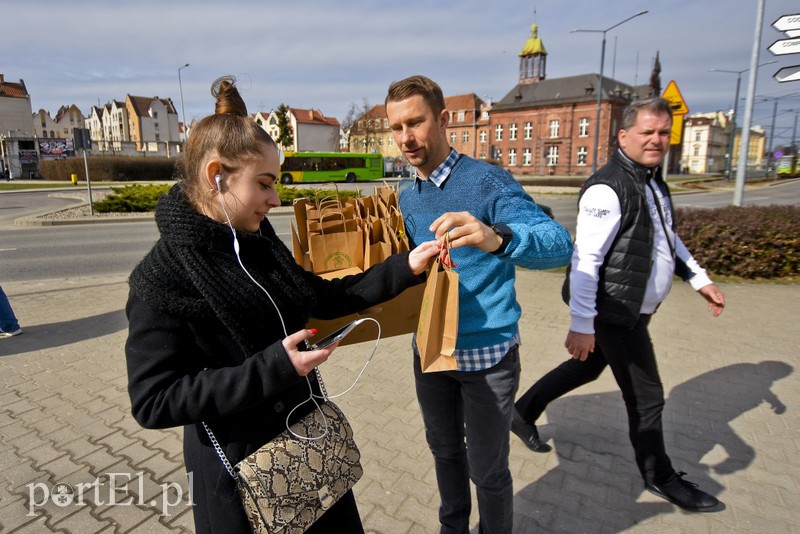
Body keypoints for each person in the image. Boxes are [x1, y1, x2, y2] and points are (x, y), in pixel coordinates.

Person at [124, 76, 440, 534]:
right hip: (241, 475)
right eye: (265, 184)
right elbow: (153, 401)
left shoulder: (256, 240)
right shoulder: (161, 278)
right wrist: (274, 368)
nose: (275, 199)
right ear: (217, 176)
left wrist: (404, 266)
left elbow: (321, 296)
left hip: (308, 450)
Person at [513, 97, 726, 512]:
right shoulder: (609, 188)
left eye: (663, 132)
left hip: (630, 309)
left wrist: (699, 278)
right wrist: (582, 323)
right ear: (624, 136)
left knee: (588, 366)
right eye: (647, 132)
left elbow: (666, 236)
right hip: (614, 311)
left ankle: (522, 412)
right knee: (648, 397)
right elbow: (586, 260)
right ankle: (660, 476)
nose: (656, 140)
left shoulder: (650, 179)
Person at [385, 75, 573, 534]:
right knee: (445, 454)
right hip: (430, 352)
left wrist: (498, 237)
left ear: (443, 119)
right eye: (396, 127)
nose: (406, 137)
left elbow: (559, 244)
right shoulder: (409, 197)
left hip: (487, 355)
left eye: (416, 122)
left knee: (487, 470)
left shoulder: (488, 181)